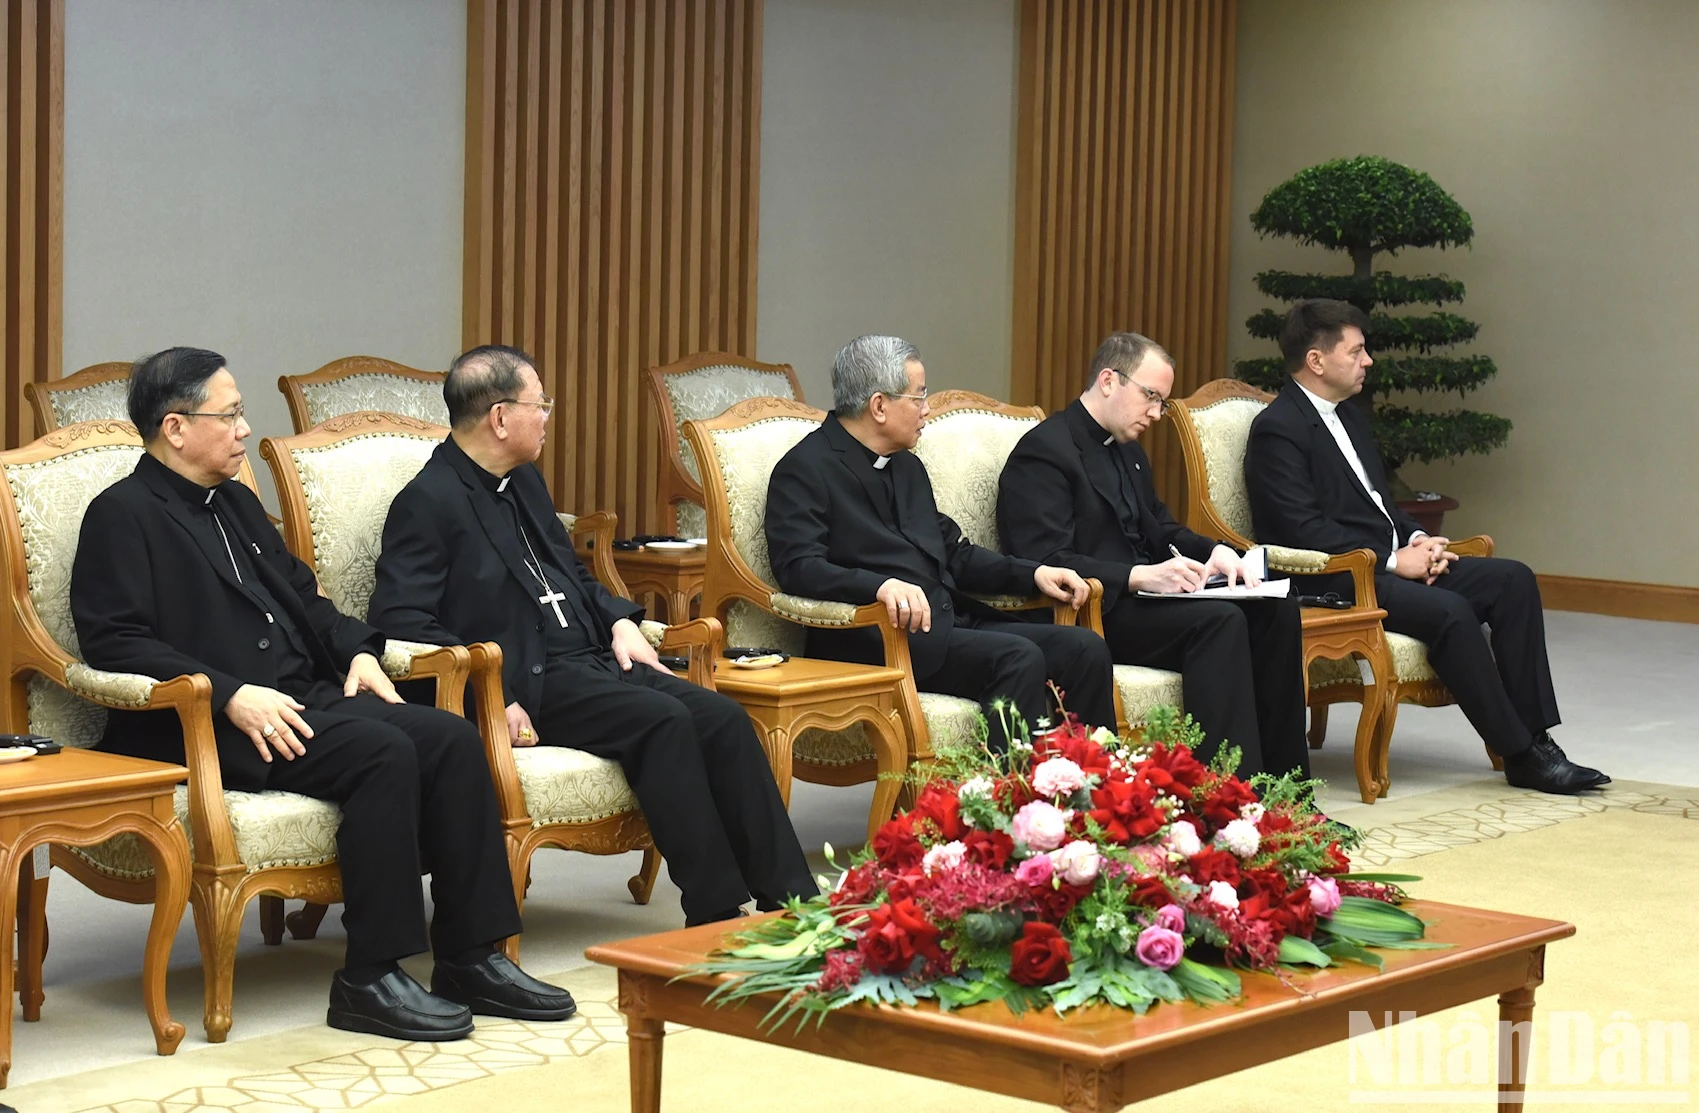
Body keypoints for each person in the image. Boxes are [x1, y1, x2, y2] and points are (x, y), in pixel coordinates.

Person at [71, 348, 574, 1043]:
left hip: (299, 698)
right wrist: (229, 694)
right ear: (176, 427)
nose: (245, 429)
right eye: (231, 414)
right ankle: (370, 975)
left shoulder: (237, 502)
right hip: (209, 726)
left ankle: (471, 955)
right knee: (381, 752)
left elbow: (308, 602)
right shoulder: (121, 515)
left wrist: (361, 651)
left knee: (451, 737)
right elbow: (114, 642)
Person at [367, 345, 814, 928]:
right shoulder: (427, 502)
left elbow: (571, 573)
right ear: (500, 418)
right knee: (664, 721)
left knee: (724, 718)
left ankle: (792, 899)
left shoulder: (522, 481)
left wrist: (620, 619)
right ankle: (716, 909)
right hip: (532, 678)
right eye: (540, 404)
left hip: (592, 657)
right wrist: (489, 692)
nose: (549, 416)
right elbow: (399, 618)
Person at [1244, 299, 1609, 795]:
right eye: (1357, 351)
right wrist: (1395, 560)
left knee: (1512, 579)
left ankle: (1538, 740)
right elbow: (1299, 530)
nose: (1368, 360)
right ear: (1316, 360)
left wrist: (1418, 538)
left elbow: (1378, 502)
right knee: (1452, 611)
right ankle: (1520, 754)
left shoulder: (1347, 417)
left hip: (1388, 563)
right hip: (1339, 578)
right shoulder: (1277, 430)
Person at [763, 334, 1117, 750]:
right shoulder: (804, 469)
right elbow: (799, 566)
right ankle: (1012, 806)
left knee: (1085, 648)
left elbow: (955, 552)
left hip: (949, 623)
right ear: (879, 406)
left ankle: (1097, 794)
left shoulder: (907, 466)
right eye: (918, 397)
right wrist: (878, 586)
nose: (927, 410)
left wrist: (1035, 572)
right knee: (1018, 657)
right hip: (879, 640)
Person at [998, 332, 1308, 777]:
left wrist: (1216, 552)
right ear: (1108, 380)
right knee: (1219, 622)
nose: (1157, 413)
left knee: (1275, 612)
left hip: (1147, 603)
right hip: (1096, 610)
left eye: (1163, 402)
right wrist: (1139, 576)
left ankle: (1290, 792)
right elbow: (1045, 559)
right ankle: (1229, 796)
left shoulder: (1128, 451)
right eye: (1151, 397)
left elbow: (1159, 527)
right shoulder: (1044, 453)